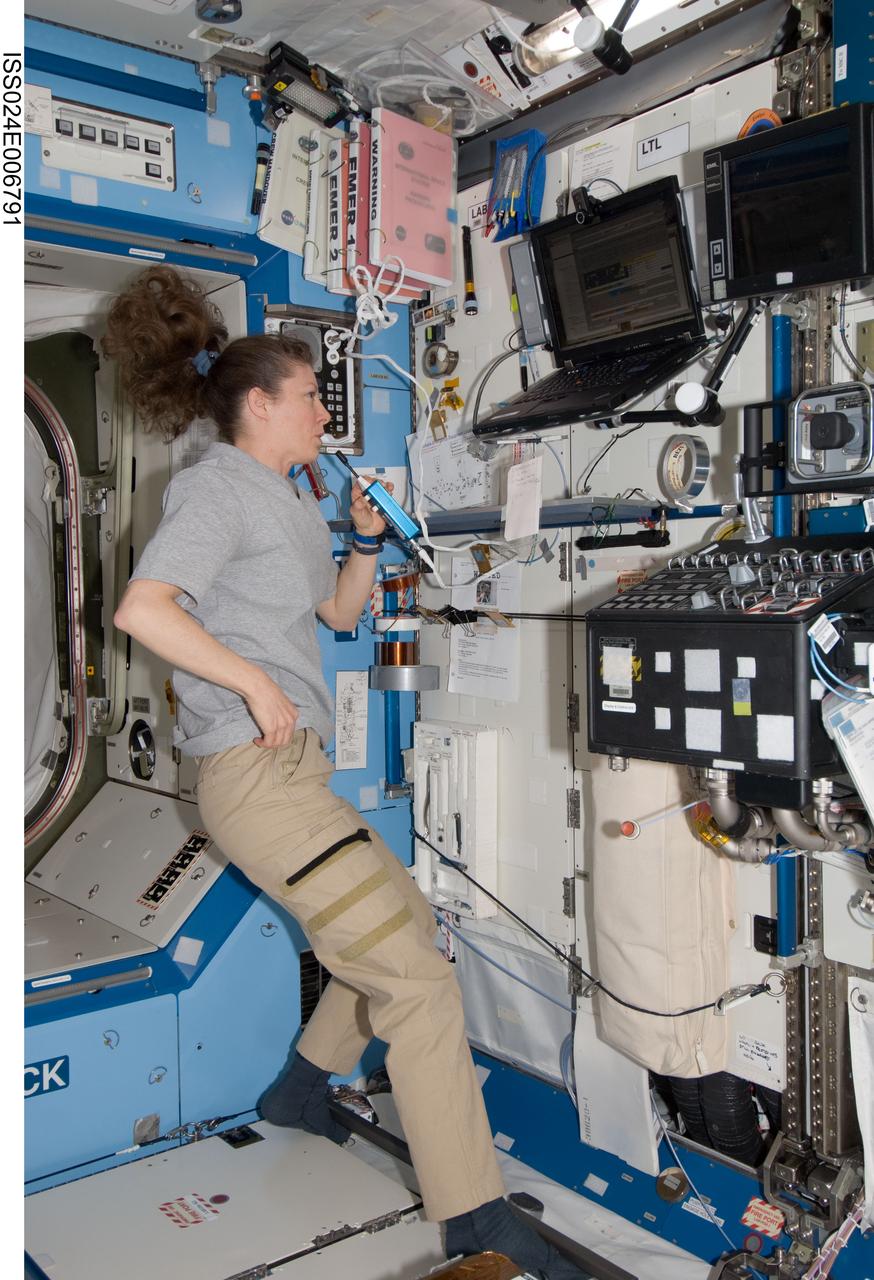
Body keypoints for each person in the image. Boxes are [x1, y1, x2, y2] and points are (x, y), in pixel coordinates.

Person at [105, 265, 587, 1280]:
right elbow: (143, 610)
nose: (326, 410)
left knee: (404, 931)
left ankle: (301, 1088)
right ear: (262, 404)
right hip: (255, 771)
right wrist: (254, 685)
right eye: (314, 396)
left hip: (294, 774)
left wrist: (363, 544)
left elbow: (330, 613)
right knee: (418, 983)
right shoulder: (211, 487)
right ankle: (476, 1217)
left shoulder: (279, 493)